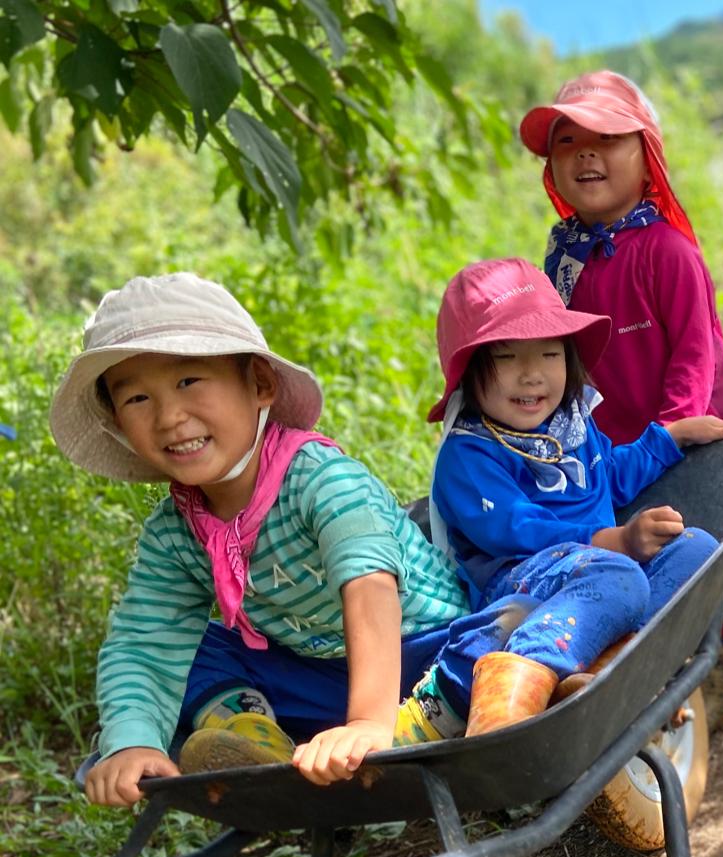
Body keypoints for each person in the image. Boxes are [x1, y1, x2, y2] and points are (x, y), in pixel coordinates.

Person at [48, 273, 469, 806]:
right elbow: (144, 645)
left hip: (417, 654)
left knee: (489, 645)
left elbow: (369, 589)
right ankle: (251, 733)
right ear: (117, 423)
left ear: (260, 386)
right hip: (317, 674)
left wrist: (367, 721)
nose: (170, 417)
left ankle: (418, 722)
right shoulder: (175, 532)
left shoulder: (323, 481)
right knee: (184, 647)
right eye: (136, 398)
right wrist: (130, 742)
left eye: (188, 382)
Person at [518, 71, 723, 751]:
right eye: (567, 142)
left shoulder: (667, 251)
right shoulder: (563, 262)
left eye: (607, 138)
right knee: (681, 571)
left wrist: (673, 433)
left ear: (647, 154)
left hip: (705, 445)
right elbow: (564, 362)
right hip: (629, 458)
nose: (586, 154)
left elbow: (694, 354)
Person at [392, 257, 723, 742]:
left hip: (603, 575)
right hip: (529, 586)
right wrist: (611, 541)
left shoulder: (572, 426)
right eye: (508, 357)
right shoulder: (469, 453)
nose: (532, 375)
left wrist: (669, 438)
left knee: (697, 548)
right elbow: (515, 529)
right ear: (469, 371)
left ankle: (619, 664)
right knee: (616, 575)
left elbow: (607, 478)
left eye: (550, 355)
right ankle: (524, 674)